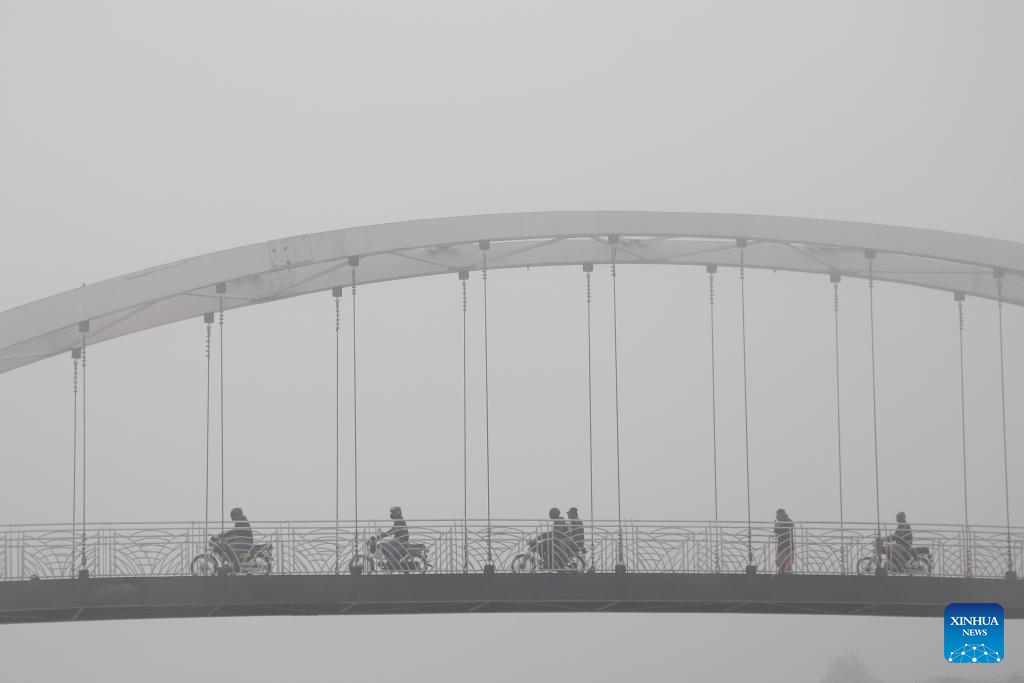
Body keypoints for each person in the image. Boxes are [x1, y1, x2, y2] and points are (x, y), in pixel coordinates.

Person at [213, 507, 253, 572]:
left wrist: (225, 535)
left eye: (232, 515)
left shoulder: (241, 521)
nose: (232, 518)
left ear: (236, 515)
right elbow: (235, 531)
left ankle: (234, 564)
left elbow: (235, 532)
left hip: (245, 542)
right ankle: (231, 563)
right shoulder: (241, 520)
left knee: (229, 545)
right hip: (244, 541)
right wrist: (225, 535)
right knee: (228, 543)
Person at [774, 508, 794, 574]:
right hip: (780, 545)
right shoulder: (777, 522)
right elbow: (776, 533)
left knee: (787, 561)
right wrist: (777, 525)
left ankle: (788, 573)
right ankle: (782, 571)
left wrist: (779, 525)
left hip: (787, 545)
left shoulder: (788, 521)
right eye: (778, 514)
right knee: (778, 561)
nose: (779, 515)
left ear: (783, 514)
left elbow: (788, 529)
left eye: (780, 514)